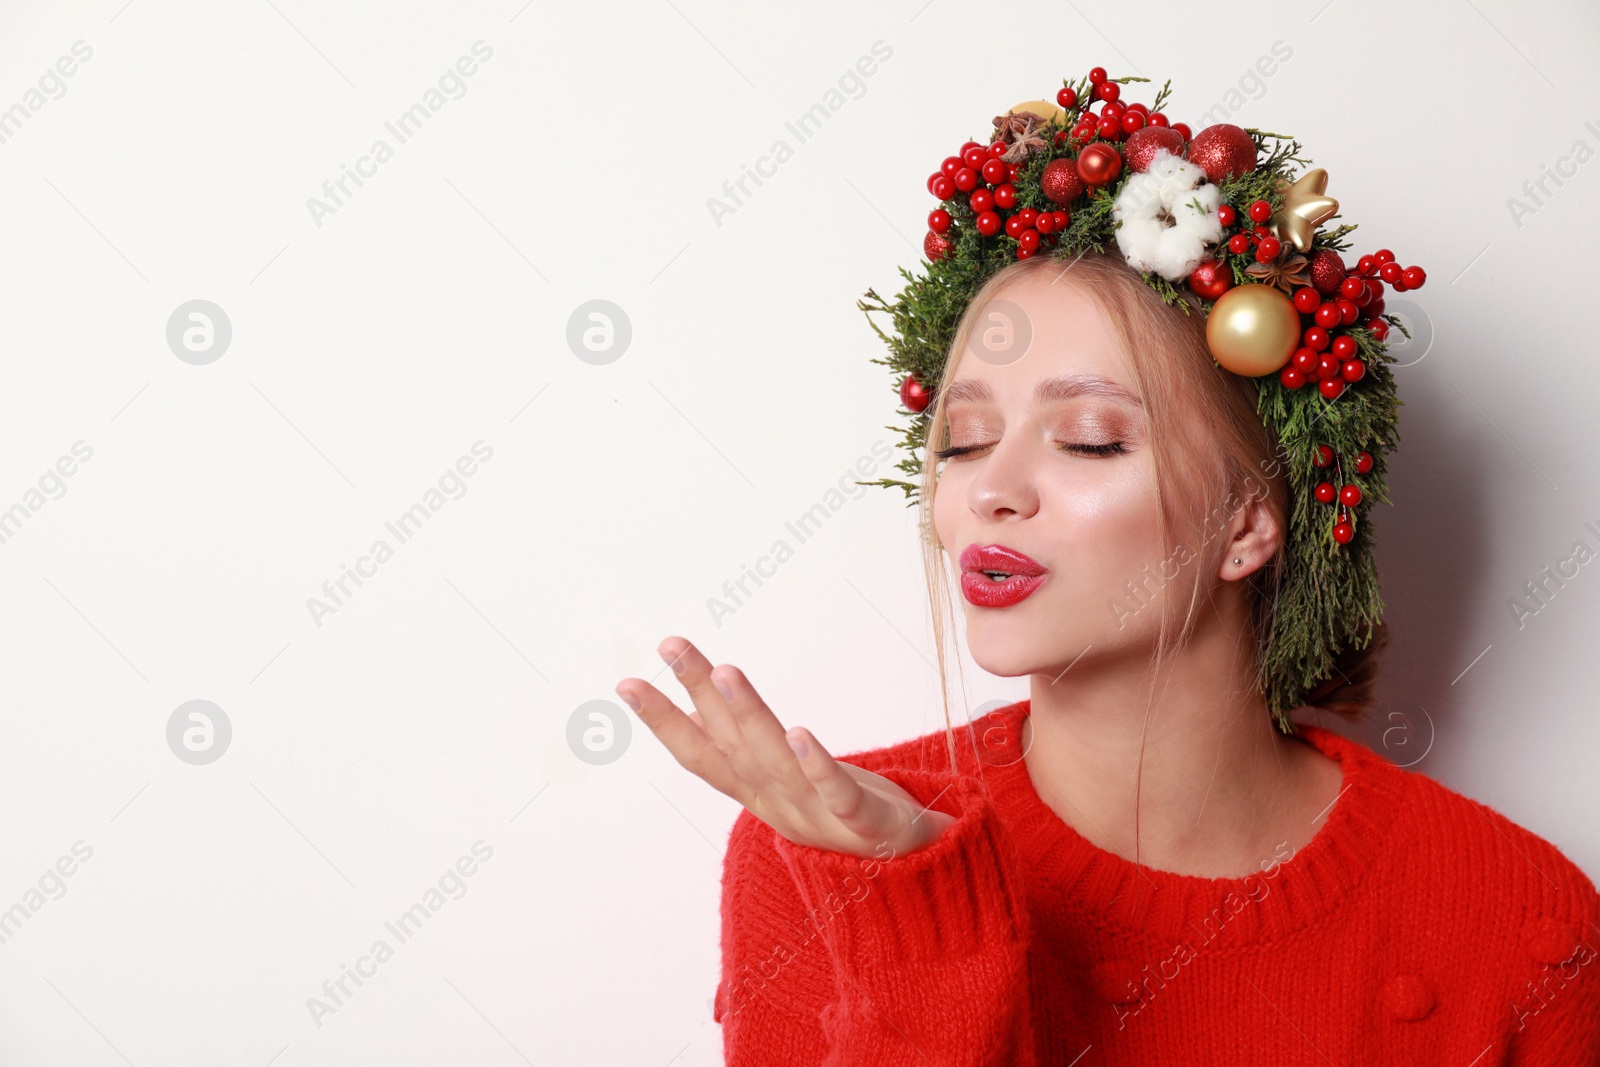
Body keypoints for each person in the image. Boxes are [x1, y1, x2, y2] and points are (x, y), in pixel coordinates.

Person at [613, 70, 1600, 1064]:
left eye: (1087, 440)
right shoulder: (831, 844)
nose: (990, 488)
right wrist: (910, 909)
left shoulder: (1518, 917)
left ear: (1246, 525)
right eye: (959, 443)